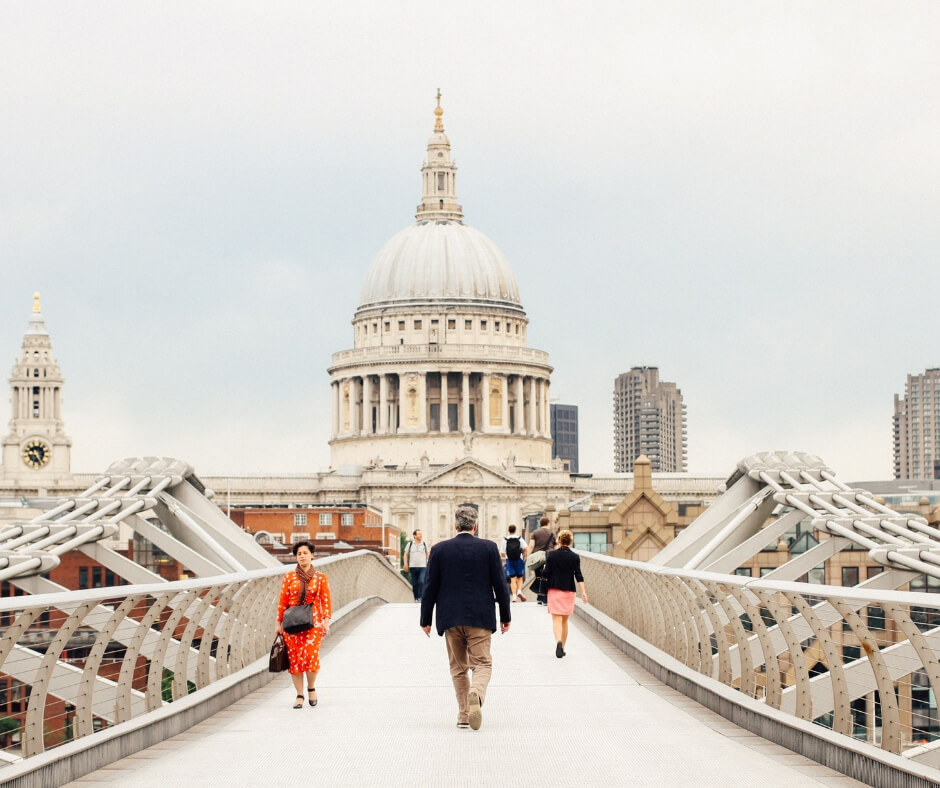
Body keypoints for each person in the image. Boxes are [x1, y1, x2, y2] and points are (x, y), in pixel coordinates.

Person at [420, 506, 512, 730]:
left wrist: (425, 619)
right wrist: (505, 615)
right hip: (480, 616)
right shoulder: (489, 548)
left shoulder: (439, 550)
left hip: (450, 616)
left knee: (458, 667)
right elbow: (500, 584)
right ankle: (476, 694)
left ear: (455, 525)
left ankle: (463, 715)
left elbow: (430, 586)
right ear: (475, 526)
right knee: (483, 664)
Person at [276, 540, 332, 708]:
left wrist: (326, 622)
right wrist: (279, 623)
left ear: (312, 555)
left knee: (311, 657)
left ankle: (311, 688)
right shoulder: (289, 577)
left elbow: (326, 601)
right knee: (295, 660)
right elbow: (282, 601)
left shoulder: (320, 577)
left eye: (305, 553)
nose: (302, 556)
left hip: (313, 622)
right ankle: (299, 695)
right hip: (292, 623)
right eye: (299, 554)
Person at [541, 529, 587, 658]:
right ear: (570, 541)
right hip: (569, 590)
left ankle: (558, 642)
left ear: (559, 540)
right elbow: (578, 575)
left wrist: (544, 569)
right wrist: (583, 592)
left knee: (556, 619)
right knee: (565, 621)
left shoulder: (551, 555)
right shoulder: (574, 557)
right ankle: (562, 648)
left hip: (554, 590)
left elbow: (546, 573)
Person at [527, 516, 556, 605]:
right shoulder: (552, 533)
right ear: (548, 523)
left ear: (540, 523)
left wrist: (528, 557)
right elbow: (555, 547)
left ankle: (540, 597)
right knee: (547, 577)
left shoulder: (535, 533)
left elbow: (531, 546)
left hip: (538, 558)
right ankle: (544, 598)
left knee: (539, 576)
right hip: (549, 557)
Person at [500, 524, 528, 601]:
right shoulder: (520, 539)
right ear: (515, 530)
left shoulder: (505, 540)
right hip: (519, 559)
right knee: (520, 577)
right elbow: (526, 548)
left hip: (509, 561)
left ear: (508, 531)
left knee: (512, 579)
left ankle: (514, 596)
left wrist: (507, 555)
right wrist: (524, 556)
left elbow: (502, 553)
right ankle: (519, 591)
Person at [403, 529, 430, 601]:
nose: (421, 536)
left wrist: (430, 564)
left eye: (421, 534)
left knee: (421, 581)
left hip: (423, 567)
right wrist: (405, 564)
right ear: (414, 536)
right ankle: (416, 597)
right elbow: (405, 554)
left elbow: (428, 555)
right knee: (414, 584)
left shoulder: (424, 544)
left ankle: (421, 597)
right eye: (419, 534)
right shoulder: (410, 544)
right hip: (413, 567)